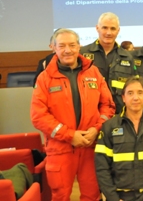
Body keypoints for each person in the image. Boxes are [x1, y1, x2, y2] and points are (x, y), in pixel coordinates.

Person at [31, 28, 115, 201]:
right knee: (60, 196)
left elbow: (107, 106)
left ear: (79, 47)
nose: (67, 50)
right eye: (62, 46)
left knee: (92, 195)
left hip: (91, 145)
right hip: (60, 148)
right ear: (53, 48)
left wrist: (96, 129)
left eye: (72, 45)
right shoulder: (44, 78)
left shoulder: (94, 73)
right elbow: (38, 116)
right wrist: (69, 136)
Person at [80, 12, 135, 114]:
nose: (108, 33)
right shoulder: (83, 53)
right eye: (104, 28)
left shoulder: (128, 57)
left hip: (119, 115)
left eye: (113, 28)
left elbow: (132, 88)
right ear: (97, 28)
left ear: (118, 31)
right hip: (91, 114)